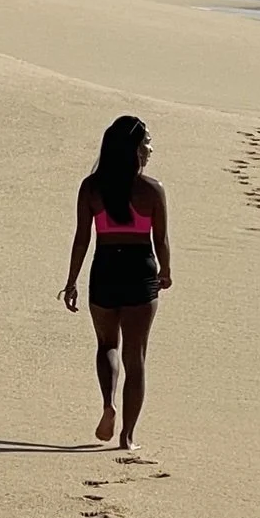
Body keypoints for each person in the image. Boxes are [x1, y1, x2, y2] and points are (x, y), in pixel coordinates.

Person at [61, 115, 171, 450]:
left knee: (107, 344)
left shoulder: (92, 187)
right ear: (135, 148)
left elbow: (82, 238)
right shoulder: (151, 190)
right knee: (135, 357)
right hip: (139, 271)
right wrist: (165, 271)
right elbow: (162, 238)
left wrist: (72, 281)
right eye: (147, 142)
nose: (151, 148)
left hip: (105, 270)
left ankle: (108, 402)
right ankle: (127, 436)